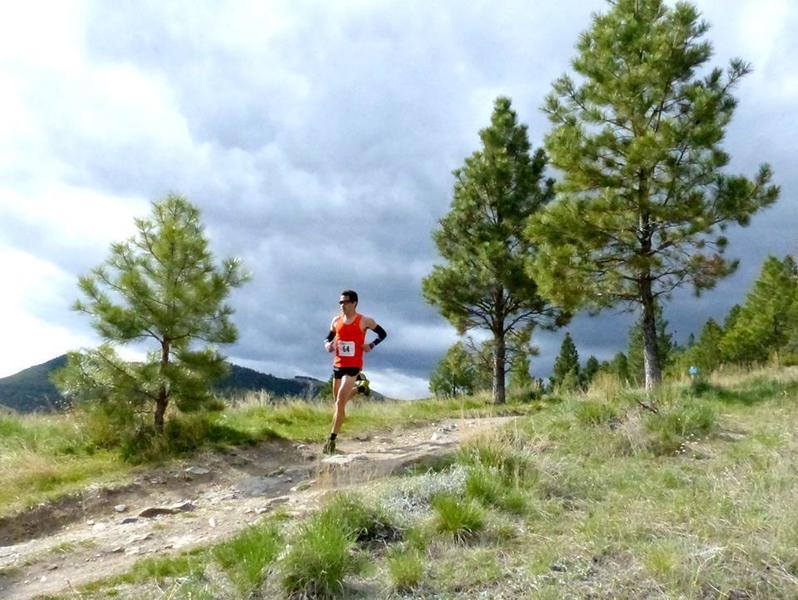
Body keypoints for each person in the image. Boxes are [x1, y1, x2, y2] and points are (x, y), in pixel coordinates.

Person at [322, 290, 387, 453]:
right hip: (338, 365)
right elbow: (328, 338)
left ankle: (331, 440)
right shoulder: (336, 321)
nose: (342, 305)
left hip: (353, 367)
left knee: (339, 403)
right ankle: (361, 388)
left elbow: (383, 333)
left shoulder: (364, 321)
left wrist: (371, 345)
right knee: (338, 402)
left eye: (345, 302)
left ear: (354, 303)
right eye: (340, 302)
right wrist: (328, 345)